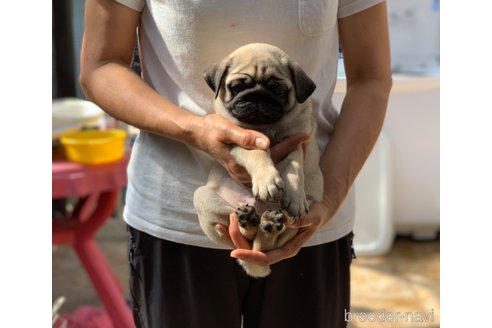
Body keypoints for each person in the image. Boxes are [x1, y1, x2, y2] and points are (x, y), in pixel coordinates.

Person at [80, 0, 392, 327]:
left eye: (272, 90)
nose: (256, 99)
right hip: (179, 217)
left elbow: (371, 78)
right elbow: (99, 66)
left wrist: (328, 200)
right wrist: (195, 129)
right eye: (242, 88)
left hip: (306, 219)